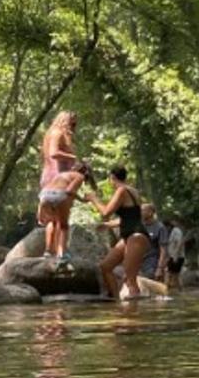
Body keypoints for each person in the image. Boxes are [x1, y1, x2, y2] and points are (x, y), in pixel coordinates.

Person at [85, 165, 149, 300]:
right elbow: (130, 217)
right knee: (105, 267)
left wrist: (93, 199)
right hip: (129, 235)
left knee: (130, 279)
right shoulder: (133, 191)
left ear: (112, 178)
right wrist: (107, 225)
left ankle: (134, 316)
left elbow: (106, 213)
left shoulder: (122, 190)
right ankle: (116, 302)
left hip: (136, 236)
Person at [36, 162, 98, 266]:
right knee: (64, 226)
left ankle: (48, 251)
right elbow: (69, 191)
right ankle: (62, 254)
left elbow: (48, 187)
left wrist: (40, 210)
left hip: (44, 195)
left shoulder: (63, 174)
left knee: (53, 222)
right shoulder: (80, 176)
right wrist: (82, 199)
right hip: (58, 195)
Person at [39, 111, 78, 240]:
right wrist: (73, 157)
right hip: (56, 177)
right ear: (64, 121)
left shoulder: (51, 133)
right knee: (59, 219)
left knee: (53, 218)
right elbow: (53, 153)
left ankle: (51, 251)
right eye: (72, 124)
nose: (73, 128)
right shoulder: (57, 133)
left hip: (51, 176)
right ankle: (55, 252)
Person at [140, 203, 168, 285]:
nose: (140, 212)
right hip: (140, 263)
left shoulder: (160, 227)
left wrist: (159, 268)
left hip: (152, 264)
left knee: (154, 291)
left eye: (142, 210)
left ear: (150, 212)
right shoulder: (140, 227)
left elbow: (163, 250)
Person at [164, 218, 186, 290]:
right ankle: (181, 292)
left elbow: (179, 243)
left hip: (176, 256)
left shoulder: (176, 231)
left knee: (168, 273)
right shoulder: (172, 232)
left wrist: (175, 256)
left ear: (168, 226)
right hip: (175, 256)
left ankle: (165, 292)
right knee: (176, 275)